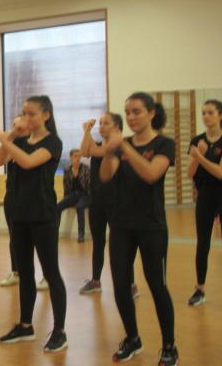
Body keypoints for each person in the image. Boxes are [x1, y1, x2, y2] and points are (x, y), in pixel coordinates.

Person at [100, 92, 178, 366]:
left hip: (151, 226)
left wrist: (124, 146)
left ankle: (169, 346)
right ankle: (132, 338)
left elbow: (151, 174)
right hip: (121, 225)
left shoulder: (164, 144)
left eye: (136, 112)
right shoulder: (123, 145)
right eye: (128, 112)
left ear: (151, 113)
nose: (131, 117)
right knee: (121, 285)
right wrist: (109, 152)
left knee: (157, 285)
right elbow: (105, 176)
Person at [0, 95, 68, 353]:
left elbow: (27, 162)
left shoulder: (53, 142)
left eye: (31, 114)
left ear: (46, 115)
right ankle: (25, 325)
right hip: (19, 215)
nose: (26, 118)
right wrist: (12, 134)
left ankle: (59, 331)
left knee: (51, 273)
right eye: (23, 113)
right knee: (24, 272)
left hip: (43, 215)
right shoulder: (20, 140)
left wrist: (2, 137)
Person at [78, 114, 139, 298]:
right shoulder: (98, 144)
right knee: (98, 242)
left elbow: (94, 151)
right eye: (100, 123)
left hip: (117, 202)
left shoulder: (120, 146)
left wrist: (87, 132)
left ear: (117, 127)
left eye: (106, 123)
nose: (101, 126)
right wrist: (86, 131)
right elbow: (85, 151)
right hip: (97, 201)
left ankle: (131, 284)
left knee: (122, 245)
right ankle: (95, 281)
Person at [0, 116, 48, 291]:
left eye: (20, 123)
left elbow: (28, 162)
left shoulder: (42, 143)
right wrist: (9, 137)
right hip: (12, 196)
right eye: (14, 124)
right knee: (14, 236)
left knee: (39, 239)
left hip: (35, 198)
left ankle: (47, 275)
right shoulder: (13, 143)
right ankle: (16, 272)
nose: (16, 126)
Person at [186, 99, 222, 306]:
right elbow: (190, 173)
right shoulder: (197, 140)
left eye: (210, 112)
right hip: (205, 197)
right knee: (203, 244)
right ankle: (200, 289)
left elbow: (220, 173)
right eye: (203, 113)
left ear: (220, 115)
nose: (206, 116)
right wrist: (196, 156)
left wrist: (200, 155)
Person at [56, 149, 90, 242]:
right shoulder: (67, 169)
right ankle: (55, 231)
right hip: (72, 195)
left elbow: (89, 186)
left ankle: (81, 234)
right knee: (58, 207)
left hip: (85, 195)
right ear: (71, 157)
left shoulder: (86, 168)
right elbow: (65, 185)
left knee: (80, 207)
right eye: (75, 156)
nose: (78, 158)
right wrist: (66, 200)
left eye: (79, 156)